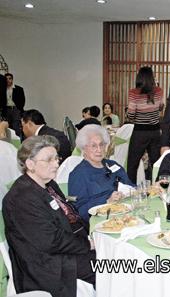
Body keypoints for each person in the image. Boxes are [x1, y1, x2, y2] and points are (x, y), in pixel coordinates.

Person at [2, 135, 95, 297]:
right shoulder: (21, 198)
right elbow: (51, 241)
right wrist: (88, 244)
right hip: (48, 264)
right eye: (49, 160)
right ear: (30, 164)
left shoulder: (48, 184)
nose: (56, 163)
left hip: (66, 249)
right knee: (113, 266)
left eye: (56, 158)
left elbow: (68, 217)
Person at [68, 124, 133, 221]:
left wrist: (146, 190)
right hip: (101, 222)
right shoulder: (78, 174)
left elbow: (131, 187)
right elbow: (79, 211)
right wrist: (106, 201)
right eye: (93, 146)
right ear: (83, 149)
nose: (99, 150)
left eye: (101, 144)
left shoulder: (113, 165)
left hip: (126, 214)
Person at [127, 66, 163, 183]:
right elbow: (161, 107)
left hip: (140, 132)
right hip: (155, 132)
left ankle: (130, 188)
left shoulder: (134, 93)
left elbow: (131, 115)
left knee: (133, 163)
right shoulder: (158, 91)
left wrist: (129, 111)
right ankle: (157, 186)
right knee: (156, 162)